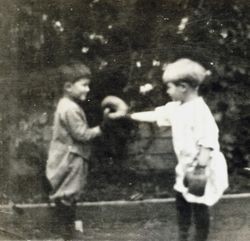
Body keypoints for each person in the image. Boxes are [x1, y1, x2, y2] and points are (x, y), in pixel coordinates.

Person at [128, 58, 229, 241]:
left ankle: (200, 237)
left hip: (200, 168)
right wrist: (129, 115)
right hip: (185, 166)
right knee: (181, 201)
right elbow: (156, 115)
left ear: (183, 87)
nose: (167, 91)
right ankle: (183, 234)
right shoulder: (176, 108)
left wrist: (200, 169)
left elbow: (207, 142)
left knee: (199, 204)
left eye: (169, 87)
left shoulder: (199, 111)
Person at [46, 62, 102, 239]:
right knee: (68, 193)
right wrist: (104, 128)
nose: (87, 89)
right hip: (71, 158)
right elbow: (82, 135)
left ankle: (67, 228)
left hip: (65, 155)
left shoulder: (66, 104)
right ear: (68, 87)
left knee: (67, 193)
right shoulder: (70, 108)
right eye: (84, 85)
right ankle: (67, 232)